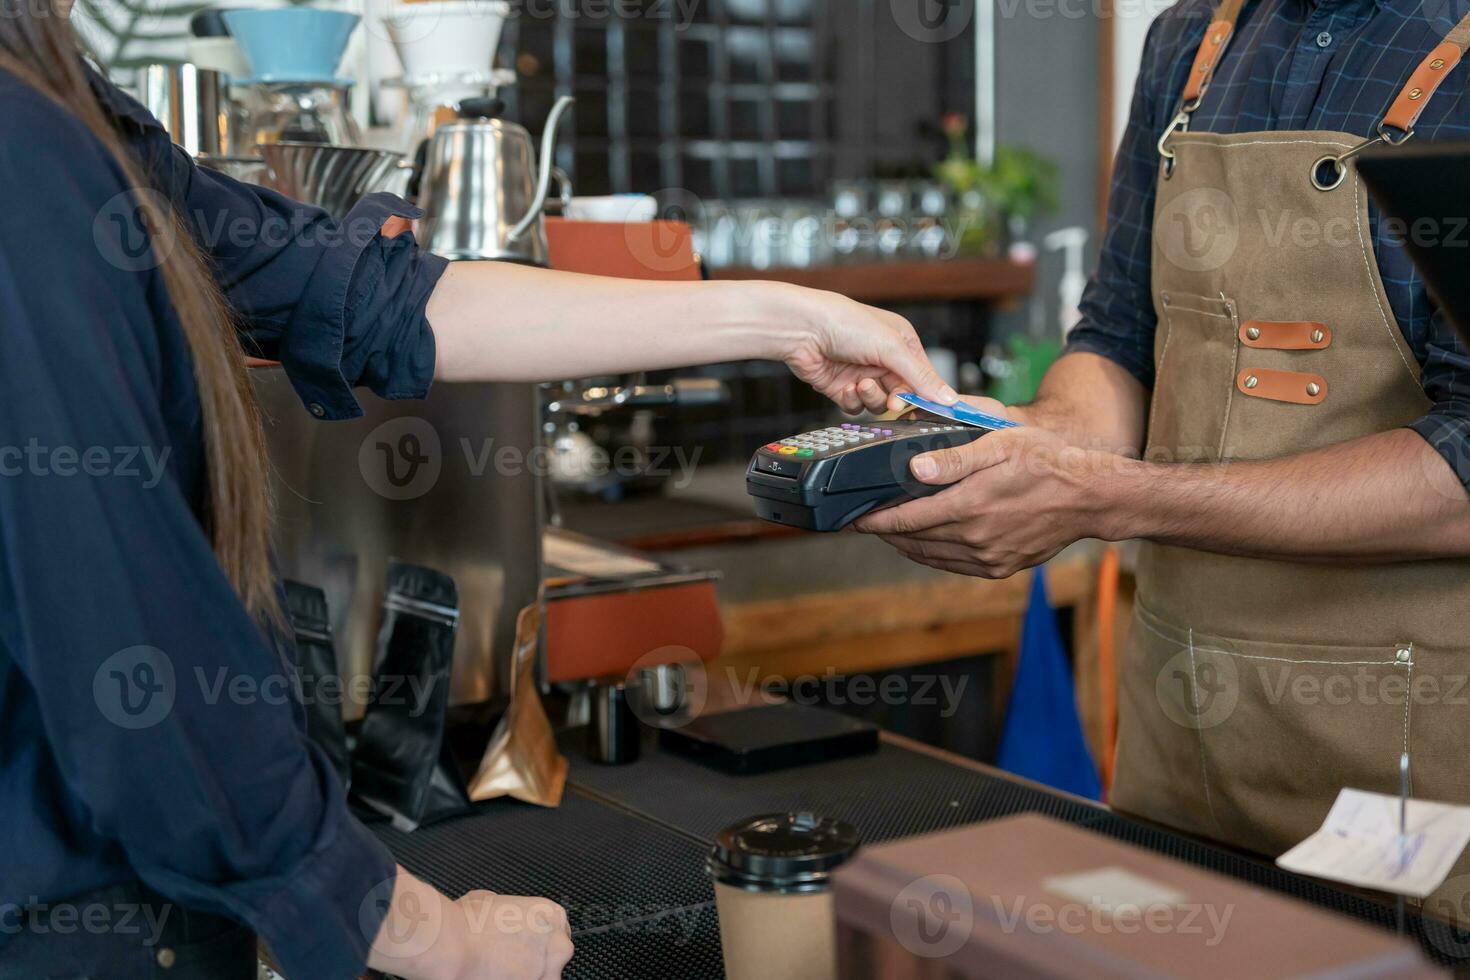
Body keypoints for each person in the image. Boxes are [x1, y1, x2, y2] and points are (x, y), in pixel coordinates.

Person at [0, 8, 959, 980]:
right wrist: (427, 931)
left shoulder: (62, 110)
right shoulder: (19, 145)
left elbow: (373, 295)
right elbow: (136, 652)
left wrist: (789, 315)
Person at [858, 0, 1470, 925]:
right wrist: (1028, 437)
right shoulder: (1192, 40)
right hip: (1184, 748)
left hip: (1406, 777)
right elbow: (1118, 341)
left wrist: (1113, 496)